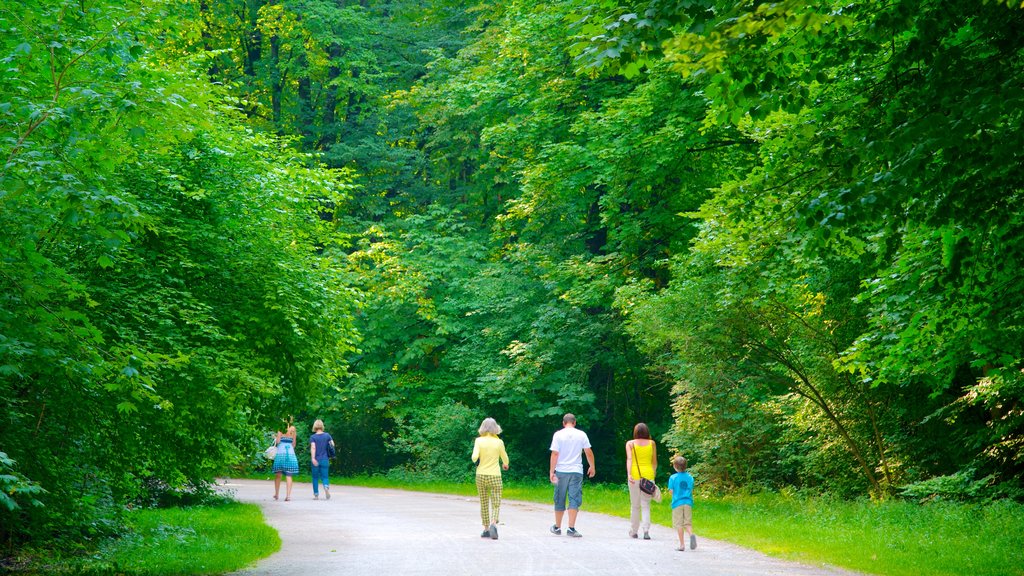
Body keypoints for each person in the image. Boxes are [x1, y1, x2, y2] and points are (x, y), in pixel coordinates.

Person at [549, 413, 595, 538]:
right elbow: (588, 452)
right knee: (574, 498)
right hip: (576, 471)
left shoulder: (558, 434)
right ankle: (571, 528)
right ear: (574, 423)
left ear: (563, 423)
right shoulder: (582, 434)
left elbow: (554, 454)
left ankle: (557, 527)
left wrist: (552, 472)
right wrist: (592, 466)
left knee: (559, 497)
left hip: (561, 471)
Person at [471, 417, 510, 539]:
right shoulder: (499, 442)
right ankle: (494, 523)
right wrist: (505, 464)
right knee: (496, 502)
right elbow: (505, 459)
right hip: (495, 475)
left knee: (483, 502)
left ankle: (486, 529)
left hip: (481, 475)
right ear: (496, 428)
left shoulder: (478, 441)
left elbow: (474, 457)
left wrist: (477, 460)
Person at [625, 422, 658, 540]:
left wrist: (629, 474)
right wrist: (652, 475)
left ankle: (634, 531)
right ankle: (646, 530)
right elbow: (654, 462)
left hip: (634, 475)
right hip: (648, 476)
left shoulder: (630, 444)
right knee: (646, 505)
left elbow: (629, 459)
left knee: (635, 505)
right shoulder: (652, 443)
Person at [667, 456, 696, 551]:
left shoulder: (673, 477)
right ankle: (691, 535)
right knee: (687, 523)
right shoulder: (690, 477)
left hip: (677, 503)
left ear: (675, 466)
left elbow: (671, 491)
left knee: (679, 524)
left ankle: (682, 545)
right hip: (688, 502)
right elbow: (691, 489)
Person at [310, 419, 336, 500]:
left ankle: (316, 494)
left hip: (316, 459)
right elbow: (332, 444)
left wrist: (313, 458)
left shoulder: (313, 437)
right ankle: (326, 487)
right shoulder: (327, 435)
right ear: (322, 426)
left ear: (315, 426)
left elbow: (313, 447)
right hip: (325, 459)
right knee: (325, 477)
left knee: (315, 478)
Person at [272, 424, 299, 501]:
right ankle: (288, 496)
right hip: (290, 453)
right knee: (289, 475)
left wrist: (275, 437)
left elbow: (277, 441)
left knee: (278, 474)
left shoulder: (281, 428)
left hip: (281, 453)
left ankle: (277, 494)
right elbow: (294, 444)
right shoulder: (293, 429)